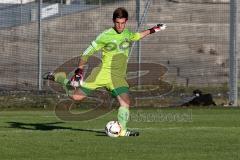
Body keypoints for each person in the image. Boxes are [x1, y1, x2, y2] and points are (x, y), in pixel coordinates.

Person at [43, 7, 167, 136]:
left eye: (123, 23)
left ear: (126, 22)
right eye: (117, 23)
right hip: (101, 74)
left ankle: (123, 131)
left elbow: (138, 35)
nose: (120, 26)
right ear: (113, 21)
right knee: (76, 97)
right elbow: (87, 52)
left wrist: (154, 29)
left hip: (117, 77)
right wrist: (79, 71)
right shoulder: (105, 35)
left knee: (125, 102)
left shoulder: (127, 34)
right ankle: (61, 78)